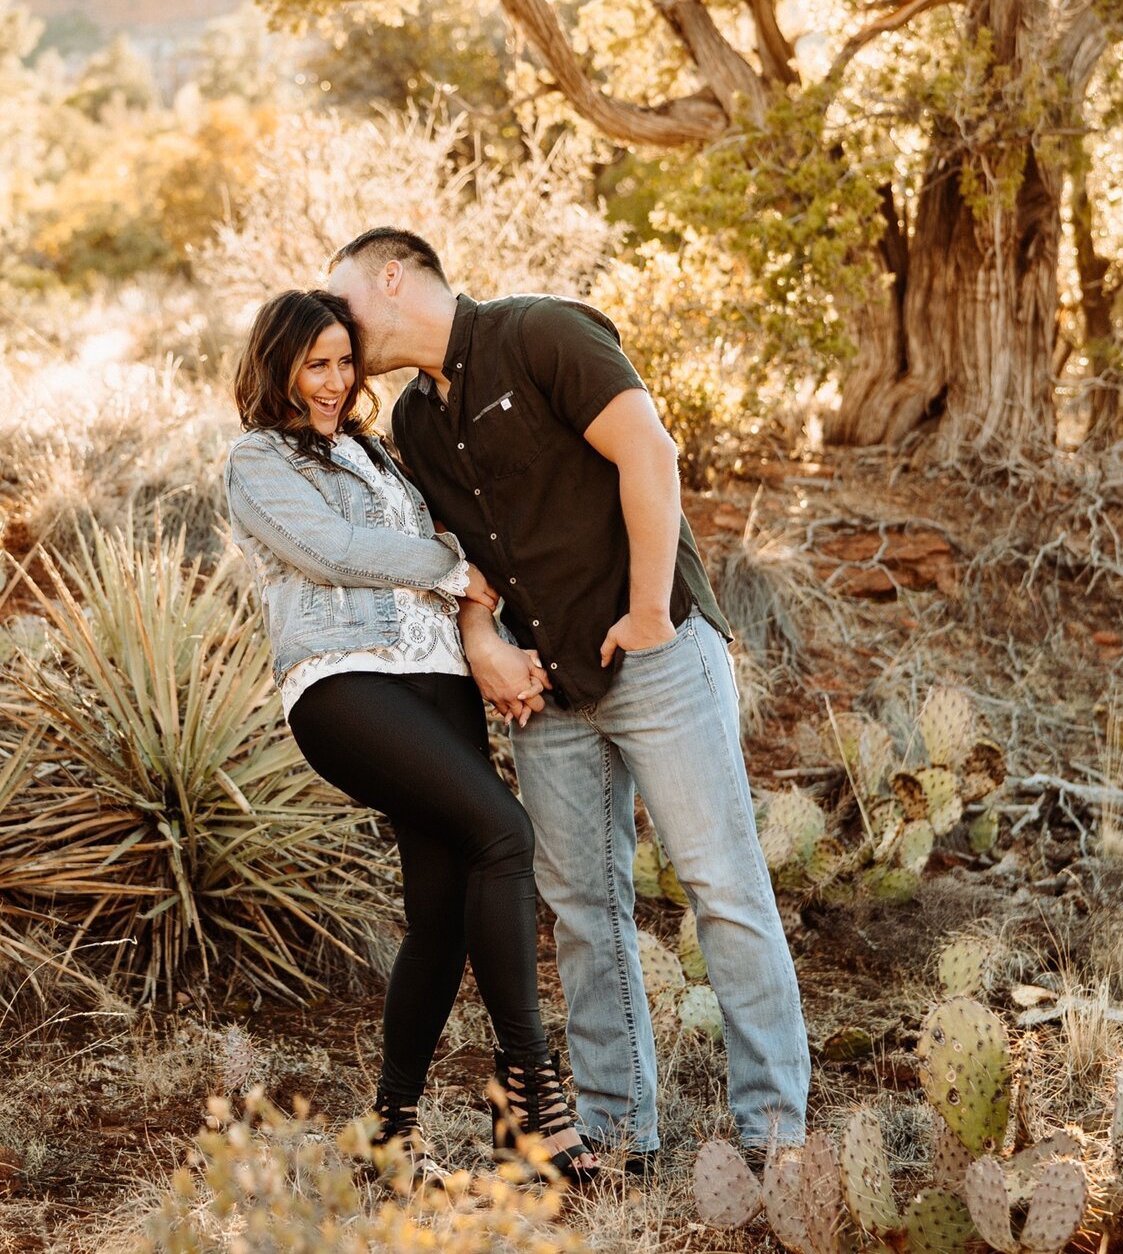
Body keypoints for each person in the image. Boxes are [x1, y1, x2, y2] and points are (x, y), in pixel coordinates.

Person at [323, 228, 812, 1168]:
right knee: (584, 908)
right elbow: (464, 570)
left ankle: (774, 1138)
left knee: (723, 888)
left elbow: (649, 452)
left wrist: (647, 613)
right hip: (547, 690)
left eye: (340, 296)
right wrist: (485, 646)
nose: (336, 323)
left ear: (391, 277)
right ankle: (619, 1131)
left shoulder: (539, 332)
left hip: (657, 653)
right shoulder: (415, 426)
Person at [221, 288, 602, 1183]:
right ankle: (533, 1103)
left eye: (345, 361)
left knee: (440, 913)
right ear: (276, 363)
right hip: (346, 681)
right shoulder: (259, 458)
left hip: (436, 681)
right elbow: (332, 549)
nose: (335, 380)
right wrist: (454, 567)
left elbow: (441, 532)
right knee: (504, 833)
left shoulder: (376, 450)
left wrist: (484, 626)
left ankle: (388, 1132)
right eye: (315, 362)